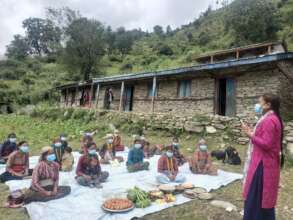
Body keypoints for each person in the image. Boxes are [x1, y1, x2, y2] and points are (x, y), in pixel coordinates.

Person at [241, 94, 284, 220]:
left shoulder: (270, 120)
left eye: (260, 102)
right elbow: (265, 138)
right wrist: (252, 132)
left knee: (257, 198)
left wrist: (249, 135)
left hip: (263, 166)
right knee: (260, 199)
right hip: (264, 163)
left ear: (268, 105)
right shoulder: (270, 118)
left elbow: (266, 144)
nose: (258, 105)